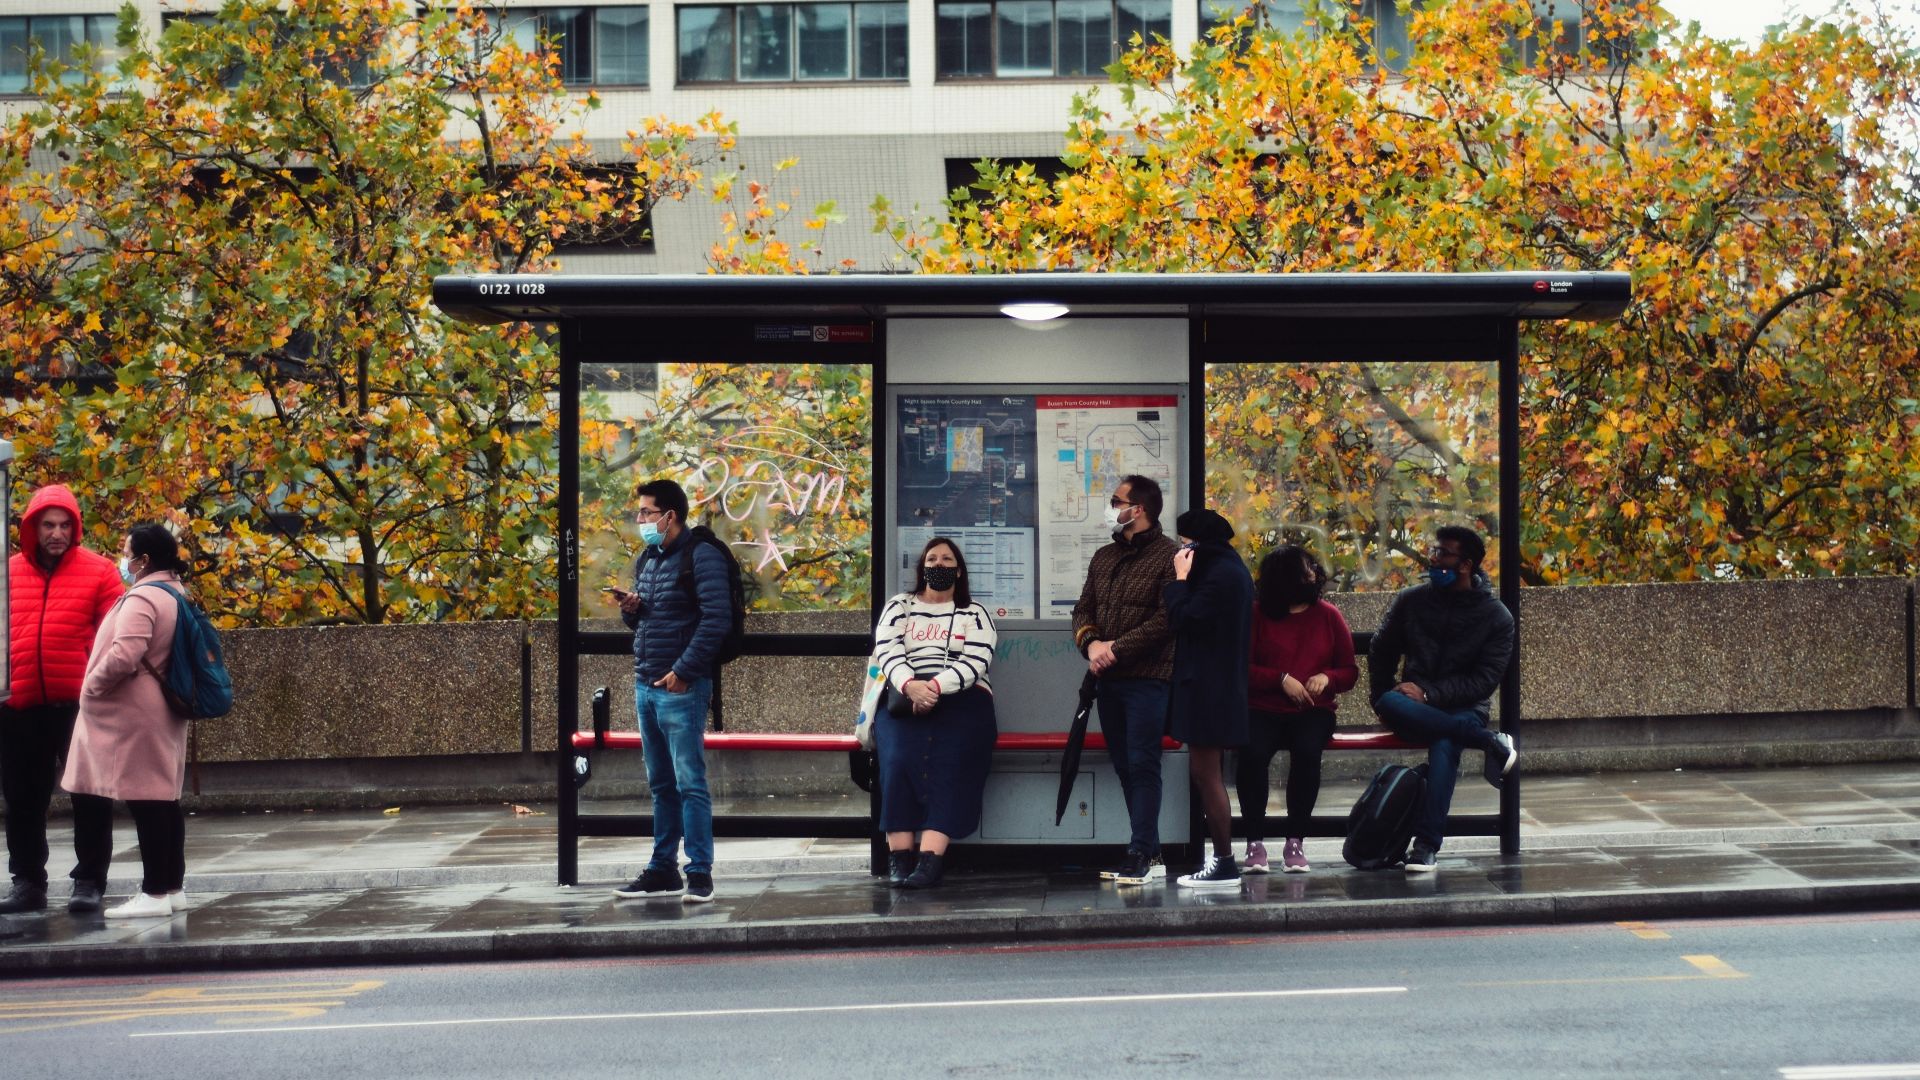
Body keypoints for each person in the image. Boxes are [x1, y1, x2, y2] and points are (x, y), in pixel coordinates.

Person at [0, 484, 123, 915]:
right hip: (20, 706)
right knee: (22, 799)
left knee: (90, 795)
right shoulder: (7, 572)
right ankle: (28, 881)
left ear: (76, 527)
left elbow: (117, 637)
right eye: (48, 525)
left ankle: (89, 881)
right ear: (32, 528)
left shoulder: (101, 571)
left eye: (65, 525)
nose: (57, 533)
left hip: (81, 706)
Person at [62, 524, 195, 919]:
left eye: (127, 552)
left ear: (144, 560)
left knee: (147, 802)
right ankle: (171, 887)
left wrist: (91, 685)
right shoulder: (174, 591)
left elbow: (125, 653)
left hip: (135, 715)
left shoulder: (143, 597)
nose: (124, 559)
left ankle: (153, 892)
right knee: (164, 800)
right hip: (160, 711)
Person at [1369, 525, 1519, 873]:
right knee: (1389, 702)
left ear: (1465, 565)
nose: (1433, 559)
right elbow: (1381, 649)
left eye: (1443, 554)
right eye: (1434, 551)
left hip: (1462, 709)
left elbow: (1483, 682)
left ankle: (1425, 846)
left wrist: (1430, 694)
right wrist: (1382, 693)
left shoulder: (1497, 617)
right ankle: (1488, 742)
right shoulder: (1412, 600)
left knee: (1445, 741)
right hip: (1409, 704)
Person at [609, 479, 731, 904]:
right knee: (661, 783)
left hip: (681, 686)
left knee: (689, 783)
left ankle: (699, 872)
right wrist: (633, 610)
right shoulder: (650, 557)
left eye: (645, 513)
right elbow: (651, 622)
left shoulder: (703, 556)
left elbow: (717, 621)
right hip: (647, 682)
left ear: (669, 515)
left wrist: (683, 671)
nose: (640, 520)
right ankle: (663, 869)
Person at [867, 537, 998, 889]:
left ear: (959, 569)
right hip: (903, 696)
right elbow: (887, 650)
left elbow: (977, 660)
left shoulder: (975, 613)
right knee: (897, 761)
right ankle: (900, 857)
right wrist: (911, 686)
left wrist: (935, 688)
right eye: (932, 559)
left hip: (963, 699)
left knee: (951, 760)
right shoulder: (900, 606)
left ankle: (930, 858)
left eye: (947, 559)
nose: (939, 565)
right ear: (922, 566)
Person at [1071, 474, 1179, 886]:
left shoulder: (1171, 557)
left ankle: (1139, 851)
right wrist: (1092, 645)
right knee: (1123, 765)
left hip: (1149, 680)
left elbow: (1167, 620)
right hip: (1109, 682)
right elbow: (1083, 610)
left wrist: (1116, 649)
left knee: (1142, 763)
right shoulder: (1103, 557)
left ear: (1140, 509)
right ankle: (1149, 849)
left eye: (1117, 500)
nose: (1111, 506)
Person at [1237, 545, 1357, 875]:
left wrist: (1326, 678)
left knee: (1307, 752)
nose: (1314, 573)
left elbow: (1349, 671)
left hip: (1313, 710)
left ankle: (1295, 841)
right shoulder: (1256, 614)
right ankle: (1254, 842)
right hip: (1263, 706)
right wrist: (1280, 679)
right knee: (1252, 754)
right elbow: (1241, 669)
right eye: (1306, 568)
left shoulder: (1329, 615)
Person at [1162, 508, 1255, 889]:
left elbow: (1184, 618)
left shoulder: (1219, 576)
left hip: (1208, 689)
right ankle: (1222, 860)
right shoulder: (1230, 569)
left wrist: (1180, 580)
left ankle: (1223, 862)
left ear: (1199, 542)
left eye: (1185, 542)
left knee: (1207, 775)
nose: (1182, 550)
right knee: (1205, 773)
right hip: (1214, 686)